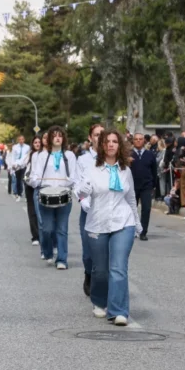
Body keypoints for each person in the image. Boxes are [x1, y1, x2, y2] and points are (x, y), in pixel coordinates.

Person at [76, 129, 141, 326]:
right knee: (100, 270)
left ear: (119, 146)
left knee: (118, 267)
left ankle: (118, 311)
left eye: (115, 141)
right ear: (102, 146)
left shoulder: (125, 170)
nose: (111, 144)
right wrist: (83, 191)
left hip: (124, 222)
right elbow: (80, 191)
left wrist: (137, 224)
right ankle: (99, 301)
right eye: (107, 141)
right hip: (97, 223)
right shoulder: (92, 170)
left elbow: (130, 199)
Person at [27, 127, 78, 268]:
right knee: (46, 228)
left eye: (60, 136)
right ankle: (48, 252)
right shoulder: (41, 156)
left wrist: (69, 182)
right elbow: (35, 175)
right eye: (54, 136)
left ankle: (62, 259)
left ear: (63, 138)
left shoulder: (69, 155)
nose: (57, 138)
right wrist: (34, 181)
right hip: (45, 194)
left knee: (62, 229)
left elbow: (75, 175)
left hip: (64, 195)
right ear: (50, 138)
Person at [76, 124, 104, 296]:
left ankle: (101, 283)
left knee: (104, 252)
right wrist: (85, 202)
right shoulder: (83, 160)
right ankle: (88, 273)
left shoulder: (113, 158)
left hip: (107, 211)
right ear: (90, 138)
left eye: (102, 134)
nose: (99, 138)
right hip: (88, 211)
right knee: (88, 253)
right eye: (96, 134)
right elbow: (77, 184)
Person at [129, 132, 159, 241]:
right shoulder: (128, 154)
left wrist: (153, 185)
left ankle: (143, 231)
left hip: (146, 186)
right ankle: (132, 230)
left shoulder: (150, 154)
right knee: (132, 209)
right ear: (133, 141)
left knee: (146, 209)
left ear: (144, 141)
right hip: (132, 186)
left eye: (140, 139)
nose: (138, 141)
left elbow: (154, 171)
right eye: (136, 139)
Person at [22, 135, 44, 246]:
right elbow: (23, 165)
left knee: (41, 211)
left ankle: (44, 235)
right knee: (32, 211)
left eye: (39, 142)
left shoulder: (45, 154)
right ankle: (35, 236)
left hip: (41, 185)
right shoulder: (30, 155)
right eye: (35, 142)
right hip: (30, 185)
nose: (37, 144)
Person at [8, 135, 31, 202]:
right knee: (18, 181)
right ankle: (19, 194)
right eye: (20, 139)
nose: (21, 141)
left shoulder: (27, 147)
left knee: (25, 180)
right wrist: (13, 164)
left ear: (24, 140)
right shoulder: (15, 147)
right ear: (18, 140)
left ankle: (27, 196)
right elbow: (13, 156)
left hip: (24, 166)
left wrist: (25, 163)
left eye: (22, 139)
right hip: (17, 166)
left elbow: (27, 156)